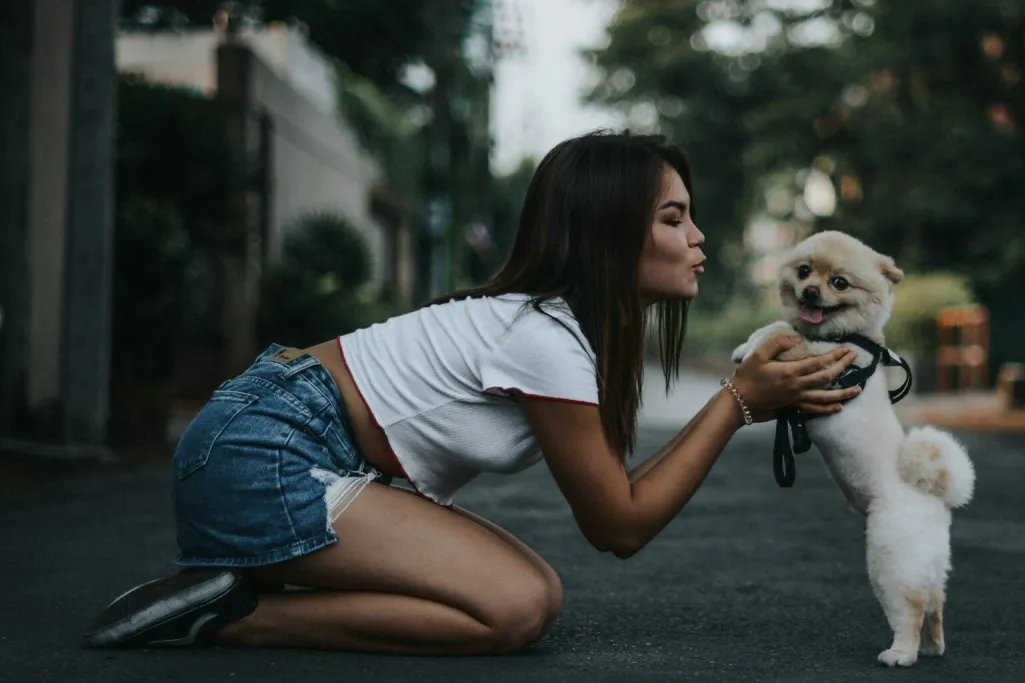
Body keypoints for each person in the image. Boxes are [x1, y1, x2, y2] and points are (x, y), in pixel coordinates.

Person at [82, 130, 861, 655]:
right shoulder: (545, 337)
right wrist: (737, 401)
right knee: (517, 604)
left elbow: (615, 503)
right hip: (262, 452)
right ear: (610, 232)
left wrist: (757, 390)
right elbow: (618, 526)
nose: (699, 238)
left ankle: (239, 591)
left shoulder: (565, 335)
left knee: (522, 599)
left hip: (281, 444)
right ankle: (237, 615)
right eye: (673, 217)